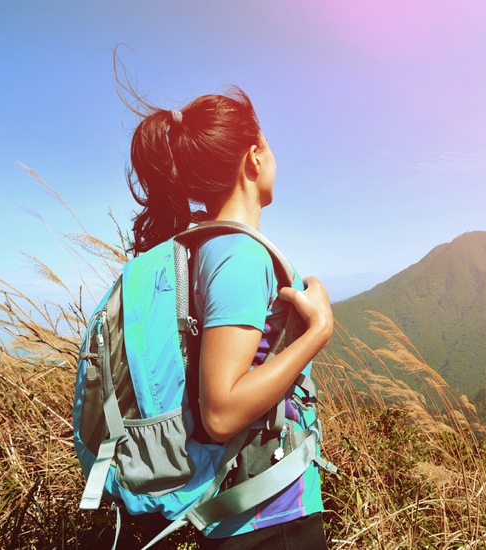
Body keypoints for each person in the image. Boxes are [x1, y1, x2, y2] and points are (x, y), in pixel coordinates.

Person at [125, 87, 334, 548]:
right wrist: (319, 331)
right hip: (265, 517)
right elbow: (221, 411)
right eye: (269, 144)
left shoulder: (203, 246)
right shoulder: (238, 255)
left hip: (243, 511)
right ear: (253, 158)